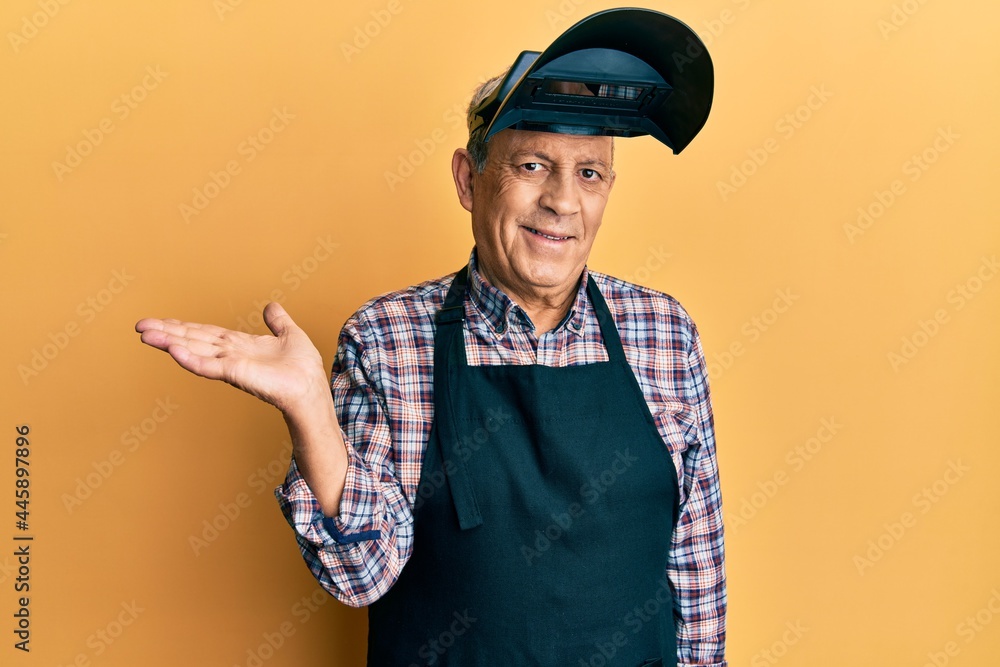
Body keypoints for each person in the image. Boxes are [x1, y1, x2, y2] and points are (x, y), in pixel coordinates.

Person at [135, 8, 725, 666]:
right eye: (532, 165)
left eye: (588, 172)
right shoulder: (389, 339)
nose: (562, 200)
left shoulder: (664, 332)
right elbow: (361, 575)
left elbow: (696, 576)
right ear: (468, 181)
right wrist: (310, 410)